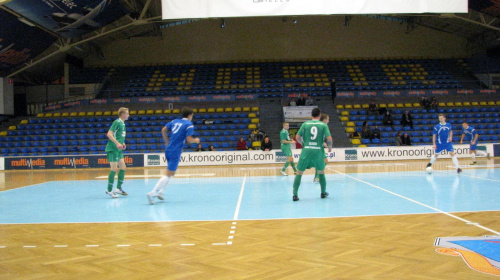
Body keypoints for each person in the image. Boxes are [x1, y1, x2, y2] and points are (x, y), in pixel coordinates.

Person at [147, 107, 200, 204]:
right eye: (192, 115)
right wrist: (196, 141)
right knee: (168, 173)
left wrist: (166, 142)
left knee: (172, 172)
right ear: (189, 115)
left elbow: (163, 130)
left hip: (168, 149)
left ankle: (161, 192)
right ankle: (152, 193)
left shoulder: (175, 121)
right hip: (176, 150)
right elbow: (189, 140)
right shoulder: (189, 124)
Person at [293, 107, 332, 201]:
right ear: (320, 115)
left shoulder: (305, 124)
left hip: (306, 150)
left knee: (299, 173)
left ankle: (295, 195)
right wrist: (330, 148)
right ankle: (323, 193)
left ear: (311, 115)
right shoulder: (323, 125)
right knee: (321, 172)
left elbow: (297, 137)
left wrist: (304, 144)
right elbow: (329, 139)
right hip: (318, 151)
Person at [105, 107, 130, 198]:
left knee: (123, 167)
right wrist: (117, 143)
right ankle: (109, 190)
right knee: (114, 169)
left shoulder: (122, 124)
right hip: (112, 149)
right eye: (127, 113)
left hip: (118, 150)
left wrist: (122, 143)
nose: (128, 115)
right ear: (122, 114)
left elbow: (118, 136)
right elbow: (109, 134)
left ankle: (118, 188)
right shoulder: (117, 122)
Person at [314, 113, 330, 182]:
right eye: (328, 119)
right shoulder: (322, 126)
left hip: (319, 146)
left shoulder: (321, 125)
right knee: (324, 161)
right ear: (324, 120)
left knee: (322, 161)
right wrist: (322, 142)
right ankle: (317, 177)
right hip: (318, 146)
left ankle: (316, 177)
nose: (328, 121)